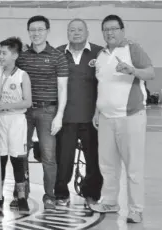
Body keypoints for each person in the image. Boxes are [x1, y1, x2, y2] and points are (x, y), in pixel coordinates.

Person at [89, 15, 155, 224]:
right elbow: (103, 86)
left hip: (131, 116)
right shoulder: (100, 55)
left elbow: (151, 73)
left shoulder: (132, 48)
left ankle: (136, 209)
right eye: (106, 29)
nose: (110, 33)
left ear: (122, 30)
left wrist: (132, 70)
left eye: (114, 29)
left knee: (133, 167)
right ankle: (110, 201)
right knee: (107, 166)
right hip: (106, 119)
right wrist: (98, 111)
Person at [16, 15, 69, 210]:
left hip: (49, 111)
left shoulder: (57, 56)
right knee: (20, 153)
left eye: (40, 29)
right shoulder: (21, 56)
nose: (36, 33)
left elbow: (63, 88)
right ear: (28, 32)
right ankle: (22, 195)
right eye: (32, 30)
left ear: (47, 31)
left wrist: (59, 116)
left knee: (48, 156)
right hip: (24, 112)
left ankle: (50, 196)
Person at [54, 19, 104, 207]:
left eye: (80, 29)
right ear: (67, 32)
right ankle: (61, 193)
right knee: (63, 159)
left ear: (87, 32)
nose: (76, 33)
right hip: (66, 118)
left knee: (93, 159)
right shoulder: (58, 53)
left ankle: (91, 194)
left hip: (92, 117)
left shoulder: (99, 52)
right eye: (72, 30)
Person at [0, 37, 33, 215]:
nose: (1, 56)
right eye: (0, 52)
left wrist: (7, 106)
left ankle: (21, 198)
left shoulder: (22, 75)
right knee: (0, 159)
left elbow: (28, 102)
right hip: (0, 120)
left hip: (16, 120)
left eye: (4, 53)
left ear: (15, 55)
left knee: (17, 160)